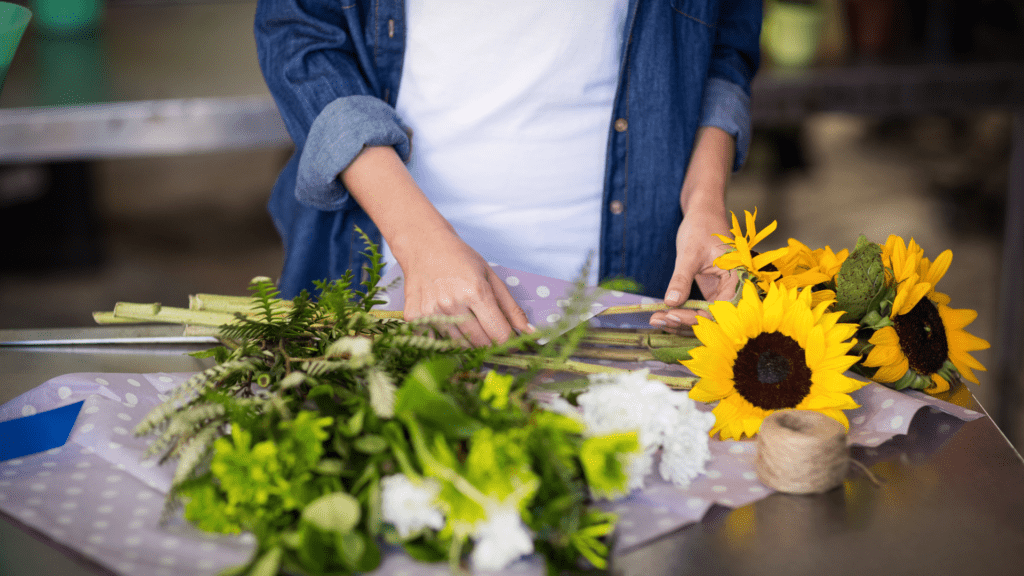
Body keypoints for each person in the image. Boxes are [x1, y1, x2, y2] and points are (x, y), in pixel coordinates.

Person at [255, 0, 762, 346]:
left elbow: (725, 44)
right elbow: (300, 34)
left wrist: (704, 202)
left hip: (636, 287)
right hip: (394, 275)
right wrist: (417, 242)